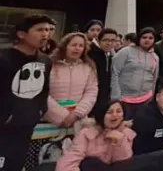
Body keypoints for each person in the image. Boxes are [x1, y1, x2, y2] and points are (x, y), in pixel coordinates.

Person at [0, 15, 53, 171]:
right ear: (21, 34)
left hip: (26, 126)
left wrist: (40, 110)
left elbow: (44, 90)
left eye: (48, 30)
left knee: (15, 165)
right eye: (39, 30)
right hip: (4, 126)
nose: (46, 34)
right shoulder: (3, 59)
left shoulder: (45, 61)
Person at [54, 100, 135, 171]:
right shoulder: (87, 133)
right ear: (101, 115)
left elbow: (124, 164)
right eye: (109, 112)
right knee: (92, 163)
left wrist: (119, 141)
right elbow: (71, 158)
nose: (115, 115)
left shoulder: (125, 133)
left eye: (118, 111)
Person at [110, 27, 159, 120]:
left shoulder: (155, 57)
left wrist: (151, 95)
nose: (147, 40)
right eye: (144, 37)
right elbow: (115, 73)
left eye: (150, 38)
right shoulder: (126, 51)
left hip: (144, 100)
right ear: (139, 38)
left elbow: (154, 78)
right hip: (124, 99)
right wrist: (116, 97)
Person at [89, 28, 118, 119]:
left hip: (104, 96)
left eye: (113, 40)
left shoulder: (110, 55)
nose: (109, 43)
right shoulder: (90, 53)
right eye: (106, 40)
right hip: (91, 95)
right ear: (98, 40)